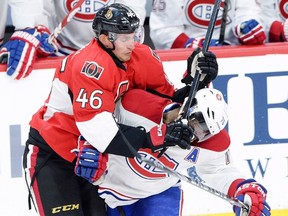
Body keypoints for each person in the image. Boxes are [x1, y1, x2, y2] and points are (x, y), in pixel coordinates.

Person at [22, 4, 195, 216]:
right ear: (105, 39)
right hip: (54, 154)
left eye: (134, 36)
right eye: (124, 39)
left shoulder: (143, 57)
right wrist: (153, 137)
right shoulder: (91, 65)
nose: (132, 44)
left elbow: (166, 102)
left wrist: (195, 81)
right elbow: (99, 130)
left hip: (94, 158)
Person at [74, 87, 271, 216]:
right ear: (187, 107)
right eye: (198, 123)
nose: (197, 135)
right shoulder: (137, 106)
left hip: (160, 194)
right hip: (111, 190)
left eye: (206, 131)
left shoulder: (213, 143)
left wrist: (241, 188)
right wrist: (91, 147)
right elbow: (99, 124)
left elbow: (219, 171)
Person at [0, 0, 147, 80]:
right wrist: (33, 27)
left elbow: (133, 15)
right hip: (61, 57)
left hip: (111, 58)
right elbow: (43, 7)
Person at [149, 0, 267, 50]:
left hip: (232, 56)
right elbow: (162, 29)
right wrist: (192, 44)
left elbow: (247, 12)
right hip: (186, 63)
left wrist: (245, 28)